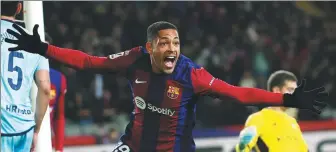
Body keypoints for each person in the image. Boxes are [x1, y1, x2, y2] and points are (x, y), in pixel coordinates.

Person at [5, 21, 328, 152]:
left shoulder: (192, 75)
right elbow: (90, 62)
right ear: (149, 47)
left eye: (176, 42)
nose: (172, 48)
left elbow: (238, 93)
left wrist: (287, 96)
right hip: (134, 145)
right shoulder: (135, 60)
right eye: (164, 43)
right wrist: (45, 49)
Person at [1, 1, 51, 152]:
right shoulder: (36, 43)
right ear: (19, 8)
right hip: (25, 128)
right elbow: (45, 88)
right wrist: (35, 130)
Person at [235, 70, 309, 152]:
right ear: (276, 90)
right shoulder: (258, 118)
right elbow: (242, 148)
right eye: (290, 90)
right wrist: (243, 144)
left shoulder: (292, 122)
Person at [45, 33, 67, 152]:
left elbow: (59, 116)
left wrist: (59, 148)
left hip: (44, 142)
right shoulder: (20, 76)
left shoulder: (58, 78)